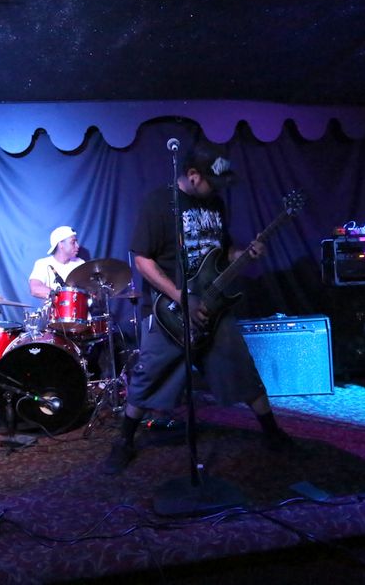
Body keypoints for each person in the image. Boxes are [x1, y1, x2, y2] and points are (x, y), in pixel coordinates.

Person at [102, 141, 293, 475]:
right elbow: (143, 261)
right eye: (211, 182)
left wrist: (243, 254)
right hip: (170, 310)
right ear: (192, 175)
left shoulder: (215, 203)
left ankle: (273, 433)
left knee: (242, 368)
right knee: (149, 375)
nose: (217, 189)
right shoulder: (159, 203)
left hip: (213, 305)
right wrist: (181, 297)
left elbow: (222, 252)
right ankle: (124, 441)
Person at [28, 226, 85, 299]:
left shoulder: (80, 263)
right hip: (54, 306)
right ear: (61, 244)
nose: (77, 246)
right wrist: (60, 295)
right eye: (73, 242)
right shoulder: (42, 264)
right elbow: (34, 288)